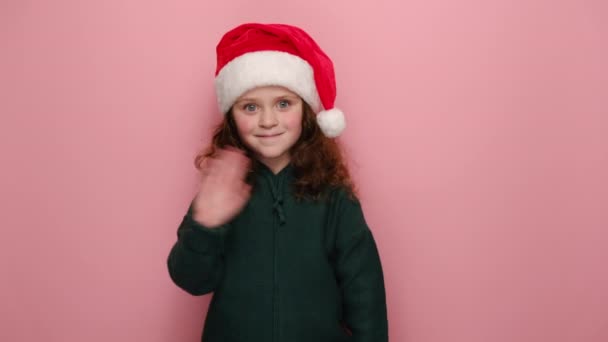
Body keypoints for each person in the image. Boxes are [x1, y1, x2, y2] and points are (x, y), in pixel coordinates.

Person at [167, 23, 388, 342]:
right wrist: (205, 224)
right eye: (251, 106)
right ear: (232, 115)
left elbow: (365, 293)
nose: (268, 121)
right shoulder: (222, 189)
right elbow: (191, 279)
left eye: (283, 103)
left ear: (306, 111)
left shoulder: (334, 197)